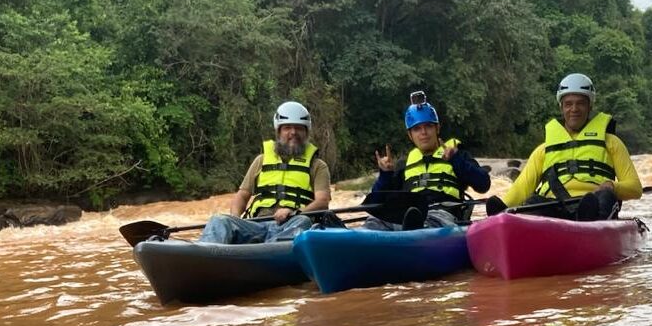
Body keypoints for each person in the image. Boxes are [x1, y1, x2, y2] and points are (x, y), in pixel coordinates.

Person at [490, 73, 641, 221]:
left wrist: (611, 186)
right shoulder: (543, 150)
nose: (574, 109)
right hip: (557, 208)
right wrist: (503, 209)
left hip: (594, 205)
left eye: (580, 103)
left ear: (589, 106)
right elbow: (521, 188)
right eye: (568, 104)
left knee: (606, 197)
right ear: (561, 108)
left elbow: (635, 188)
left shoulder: (611, 143)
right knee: (533, 202)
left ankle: (588, 223)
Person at [198, 101, 332, 243]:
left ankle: (267, 253)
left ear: (306, 132)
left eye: (299, 128)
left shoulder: (318, 166)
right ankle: (203, 259)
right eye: (287, 128)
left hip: (292, 224)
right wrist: (235, 218)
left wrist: (295, 213)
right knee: (219, 220)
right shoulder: (261, 161)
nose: (293, 132)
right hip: (257, 225)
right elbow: (242, 195)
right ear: (279, 131)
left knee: (303, 222)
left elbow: (322, 201)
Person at [364, 91, 491, 230]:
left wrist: (456, 161)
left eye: (428, 126)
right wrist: (385, 175)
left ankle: (415, 232)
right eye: (417, 129)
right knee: (374, 221)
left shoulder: (457, 155)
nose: (423, 132)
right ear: (410, 135)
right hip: (406, 217)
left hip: (443, 216)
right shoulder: (403, 165)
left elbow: (483, 184)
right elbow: (375, 203)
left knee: (428, 221)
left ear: (437, 128)